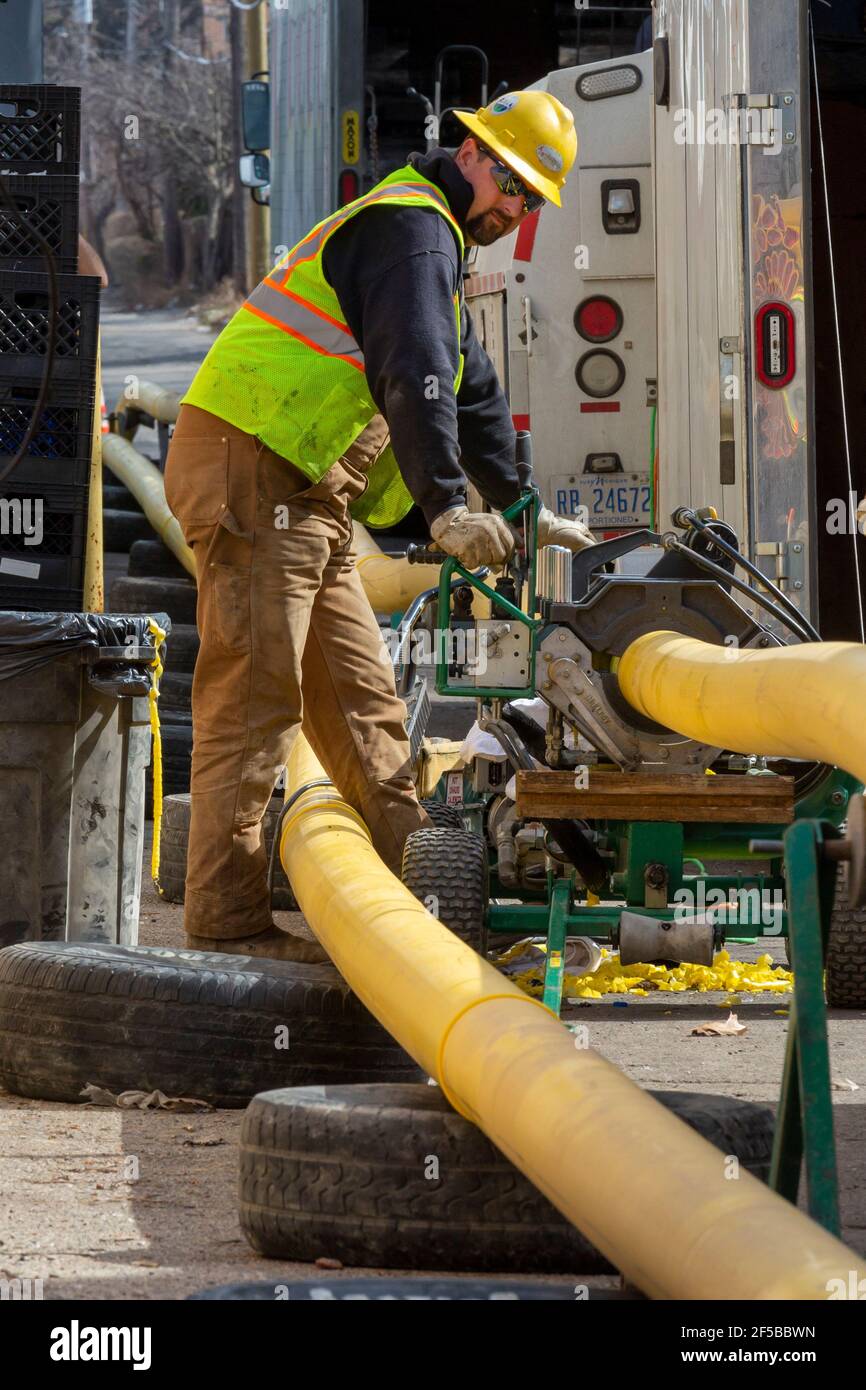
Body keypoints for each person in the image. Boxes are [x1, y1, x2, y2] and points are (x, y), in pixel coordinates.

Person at [164, 88, 595, 961]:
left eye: (529, 200)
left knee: (366, 713)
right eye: (508, 184)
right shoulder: (412, 230)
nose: (512, 210)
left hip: (300, 492)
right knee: (255, 705)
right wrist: (445, 509)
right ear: (471, 153)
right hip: (253, 469)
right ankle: (227, 925)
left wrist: (520, 508)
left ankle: (431, 923)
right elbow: (419, 372)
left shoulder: (429, 239)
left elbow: (470, 387)